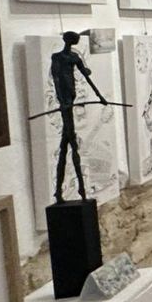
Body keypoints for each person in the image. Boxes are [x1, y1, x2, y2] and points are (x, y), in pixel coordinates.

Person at [50, 31, 109, 202]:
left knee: (65, 146)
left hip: (70, 98)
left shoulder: (74, 58)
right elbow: (56, 79)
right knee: (72, 146)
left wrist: (100, 96)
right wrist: (61, 101)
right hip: (65, 102)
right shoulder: (57, 58)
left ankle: (60, 192)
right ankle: (80, 190)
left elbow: (87, 77)